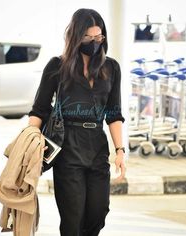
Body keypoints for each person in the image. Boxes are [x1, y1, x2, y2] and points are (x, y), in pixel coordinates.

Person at [28, 8, 126, 236]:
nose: (94, 42)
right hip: (67, 147)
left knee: (98, 212)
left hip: (97, 147)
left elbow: (113, 113)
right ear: (75, 36)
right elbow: (39, 110)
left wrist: (120, 150)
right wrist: (30, 140)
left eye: (98, 37)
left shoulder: (111, 68)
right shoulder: (57, 67)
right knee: (72, 219)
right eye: (88, 38)